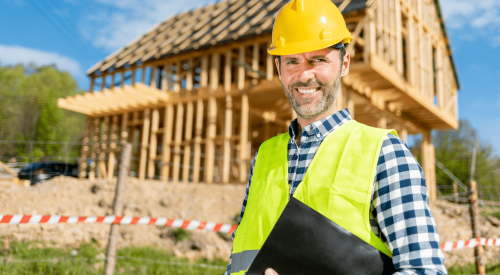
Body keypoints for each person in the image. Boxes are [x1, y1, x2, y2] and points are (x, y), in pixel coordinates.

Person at [224, 0, 447, 274]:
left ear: (344, 64)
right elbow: (241, 258)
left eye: (318, 59)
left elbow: (424, 269)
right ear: (279, 70)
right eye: (292, 61)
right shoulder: (264, 156)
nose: (305, 74)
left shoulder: (384, 153)